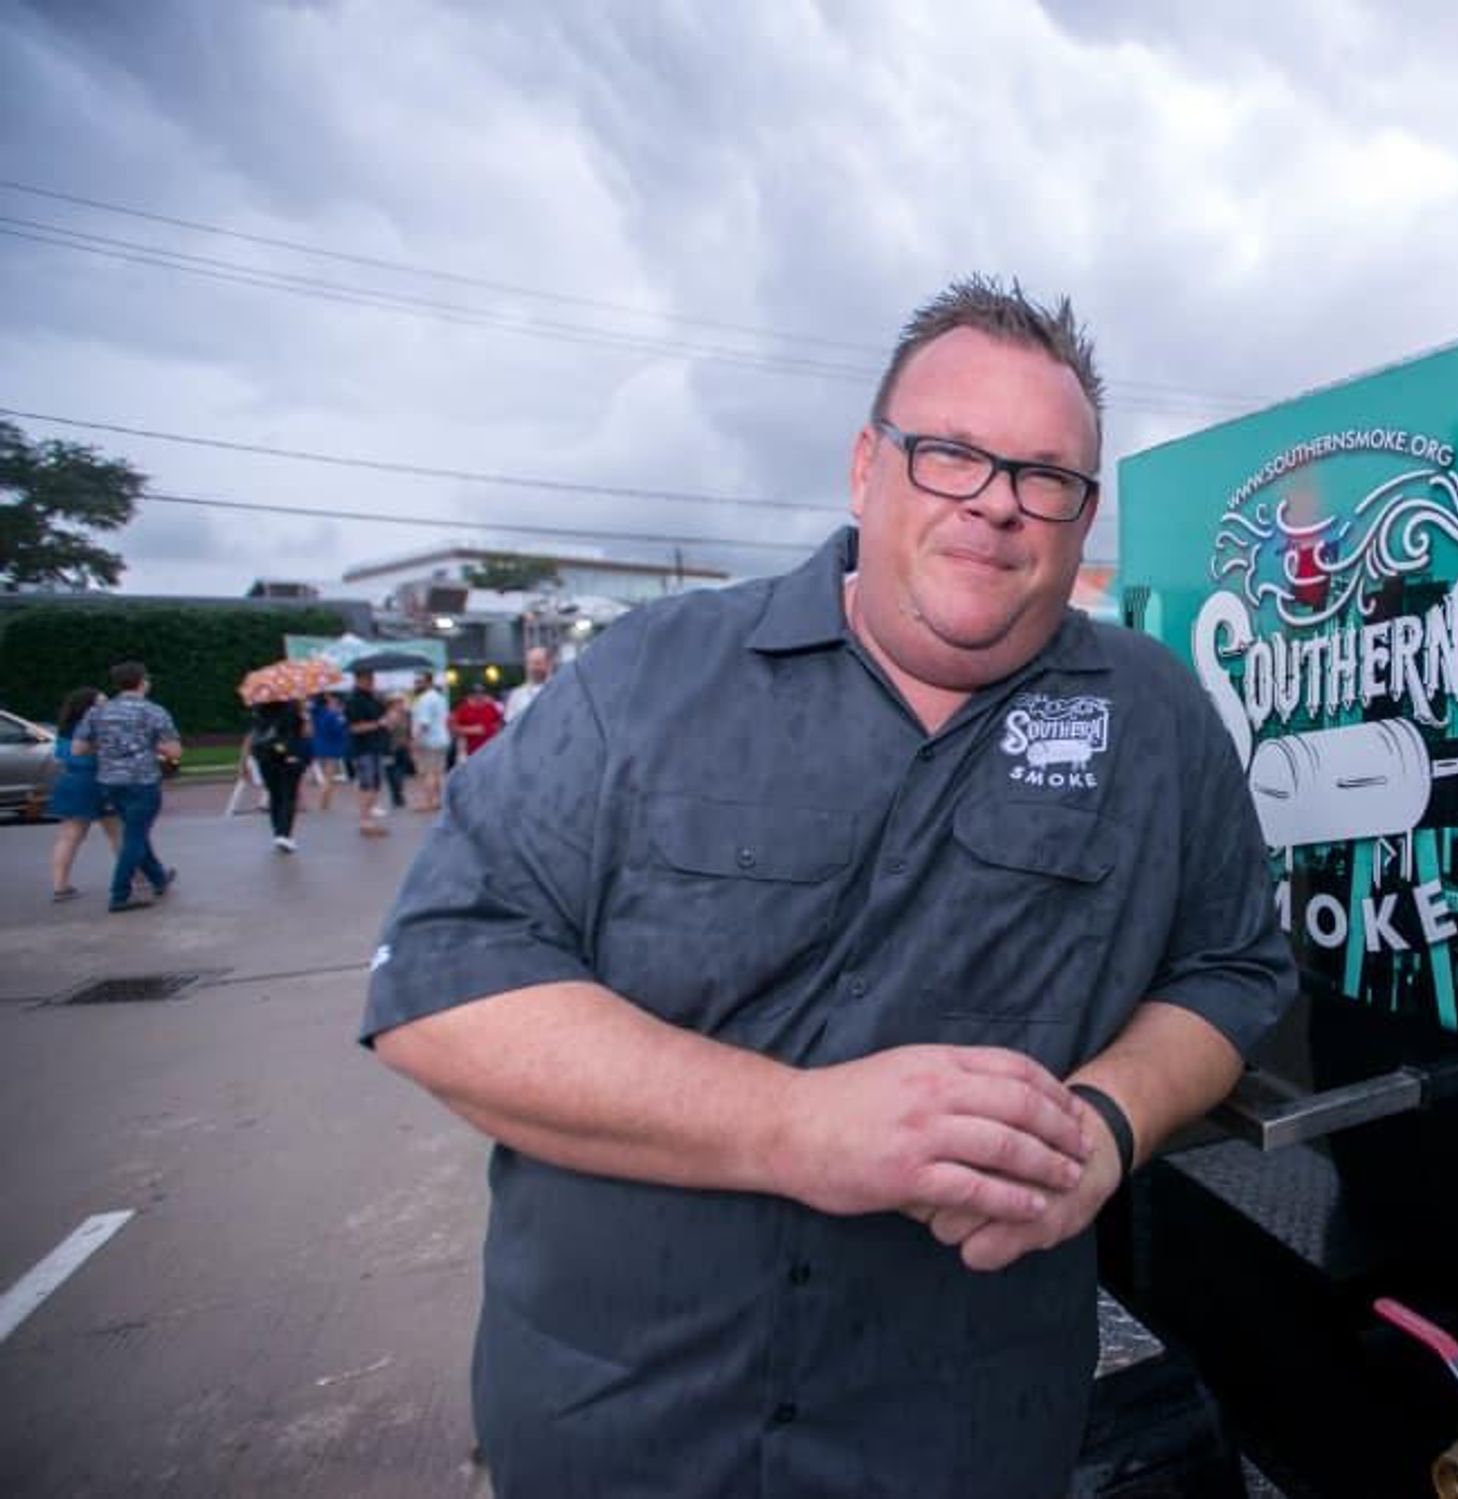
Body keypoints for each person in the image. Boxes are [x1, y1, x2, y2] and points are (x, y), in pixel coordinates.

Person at [362, 279, 1294, 1498]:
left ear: (1080, 518)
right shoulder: (648, 677)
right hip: (619, 1429)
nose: (995, 503)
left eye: (1043, 476)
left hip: (964, 1438)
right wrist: (797, 1126)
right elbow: (441, 983)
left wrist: (1106, 1124)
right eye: (950, 453)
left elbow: (1230, 967)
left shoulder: (1154, 716)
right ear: (866, 466)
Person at [73, 660, 181, 913]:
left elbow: (78, 748)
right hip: (142, 780)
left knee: (135, 830)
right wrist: (150, 745)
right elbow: (174, 751)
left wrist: (108, 746)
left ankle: (158, 878)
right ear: (142, 682)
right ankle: (119, 893)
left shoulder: (98, 712)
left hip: (110, 781)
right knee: (135, 836)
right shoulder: (153, 711)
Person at [47, 687, 120, 901]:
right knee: (117, 832)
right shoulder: (95, 728)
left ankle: (60, 885)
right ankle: (137, 875)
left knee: (69, 835)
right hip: (97, 781)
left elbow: (62, 755)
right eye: (102, 703)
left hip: (70, 781)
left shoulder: (65, 729)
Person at [248, 695, 312, 852]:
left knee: (275, 795)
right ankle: (285, 834)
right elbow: (306, 732)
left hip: (265, 755)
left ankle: (278, 832)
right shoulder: (293, 708)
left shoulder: (259, 708)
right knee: (288, 796)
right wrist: (305, 714)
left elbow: (254, 732)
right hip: (289, 755)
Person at [344, 669, 393, 837]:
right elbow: (354, 728)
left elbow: (384, 720)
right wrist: (379, 724)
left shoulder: (374, 699)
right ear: (358, 680)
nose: (371, 682)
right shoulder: (353, 700)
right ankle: (365, 821)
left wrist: (389, 718)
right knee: (367, 784)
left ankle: (369, 820)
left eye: (372, 678)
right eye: (368, 679)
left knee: (376, 784)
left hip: (376, 746)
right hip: (363, 748)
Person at [408, 670, 450, 812]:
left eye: (419, 682)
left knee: (428, 773)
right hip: (442, 738)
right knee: (439, 773)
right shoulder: (440, 698)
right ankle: (439, 800)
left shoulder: (424, 700)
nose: (416, 685)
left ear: (428, 682)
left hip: (428, 740)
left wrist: (414, 740)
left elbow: (424, 723)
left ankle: (428, 802)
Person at [310, 692, 349, 811]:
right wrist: (342, 720)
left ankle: (324, 803)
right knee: (329, 778)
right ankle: (324, 804)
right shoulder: (333, 714)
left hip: (318, 745)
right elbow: (338, 730)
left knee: (323, 776)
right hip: (332, 747)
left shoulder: (315, 713)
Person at [447, 680, 503, 758]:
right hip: (471, 752)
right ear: (471, 695)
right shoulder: (463, 709)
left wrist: (495, 732)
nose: (479, 696)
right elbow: (452, 728)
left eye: (482, 693)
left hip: (490, 751)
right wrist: (471, 730)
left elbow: (499, 723)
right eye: (476, 693)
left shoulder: (491, 707)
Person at [502, 647, 551, 724]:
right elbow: (510, 723)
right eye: (530, 663)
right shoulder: (517, 695)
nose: (533, 667)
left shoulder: (559, 692)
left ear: (548, 664)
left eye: (537, 663)